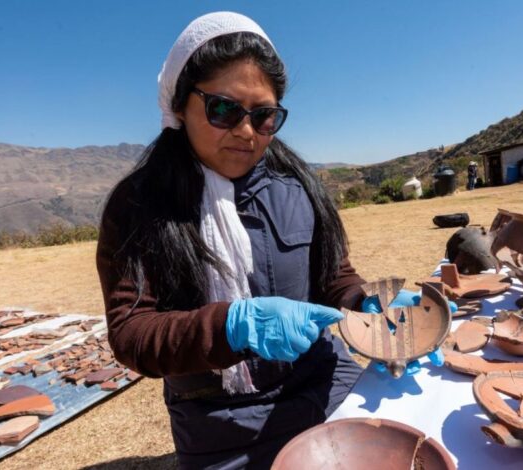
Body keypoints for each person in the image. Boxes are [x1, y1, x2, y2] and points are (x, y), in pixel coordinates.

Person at [96, 12, 373, 469]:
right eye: (224, 109)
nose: (246, 131)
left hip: (325, 381)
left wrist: (365, 301)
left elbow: (332, 274)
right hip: (218, 419)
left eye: (264, 116)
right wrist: (233, 326)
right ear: (181, 104)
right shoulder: (140, 204)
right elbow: (132, 335)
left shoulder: (297, 186)